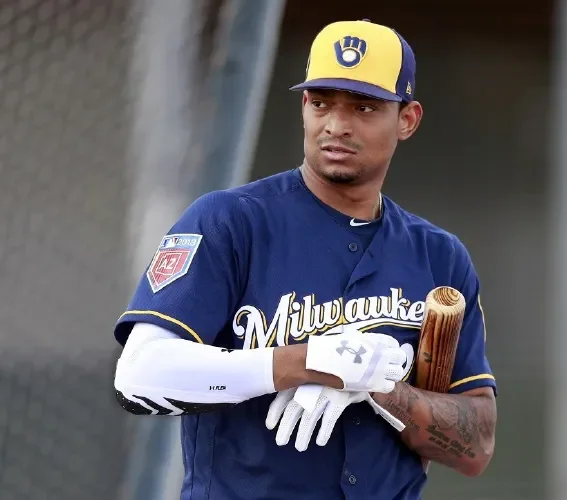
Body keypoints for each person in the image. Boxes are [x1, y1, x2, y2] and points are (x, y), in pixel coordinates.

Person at [113, 18, 498, 500]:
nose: (336, 125)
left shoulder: (438, 256)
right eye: (321, 103)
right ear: (304, 106)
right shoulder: (231, 221)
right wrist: (310, 361)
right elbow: (138, 376)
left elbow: (476, 447)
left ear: (407, 119)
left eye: (363, 106)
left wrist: (379, 388)